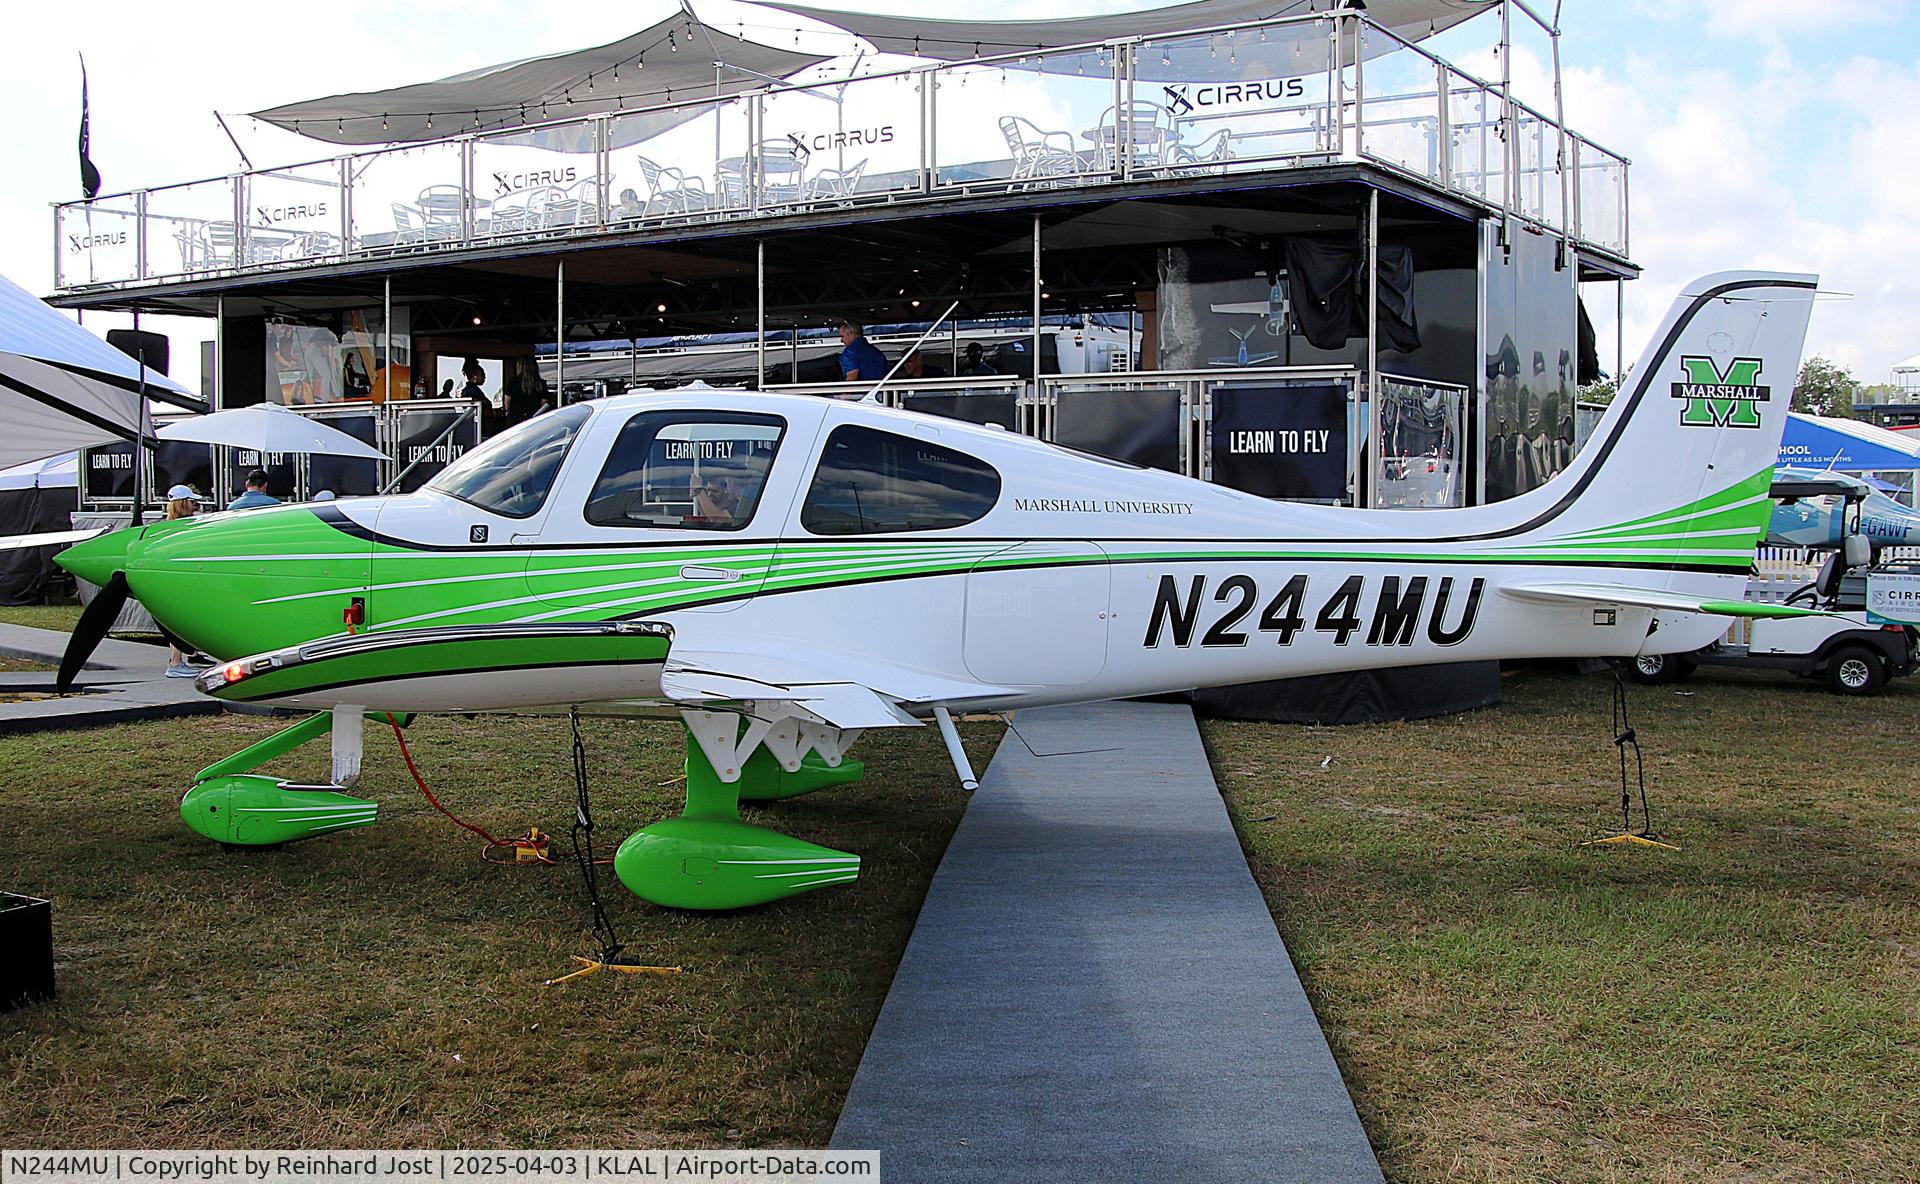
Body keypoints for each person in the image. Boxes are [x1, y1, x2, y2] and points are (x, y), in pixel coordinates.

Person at [162, 486, 202, 678]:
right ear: (184, 503)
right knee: (178, 624)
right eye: (192, 502)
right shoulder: (184, 526)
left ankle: (179, 660)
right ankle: (176, 663)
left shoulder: (165, 526)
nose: (195, 505)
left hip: (172, 581)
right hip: (181, 581)